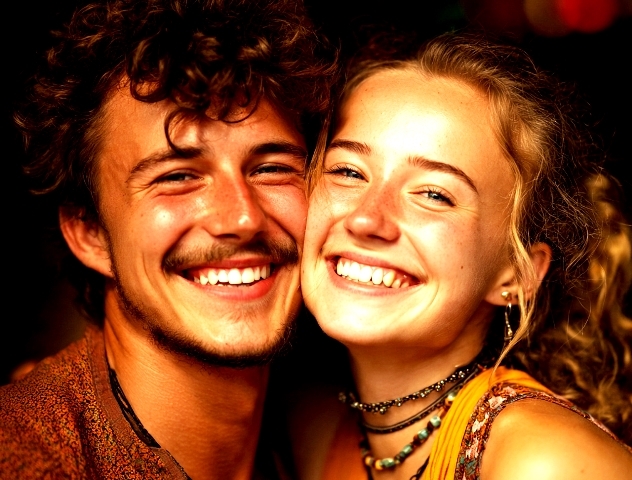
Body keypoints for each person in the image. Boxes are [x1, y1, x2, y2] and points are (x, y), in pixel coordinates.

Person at [0, 0, 336, 478]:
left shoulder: (316, 430)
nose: (243, 217)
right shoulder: (23, 456)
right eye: (177, 177)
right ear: (90, 233)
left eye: (271, 168)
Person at [297, 32, 632, 480]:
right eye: (348, 171)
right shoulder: (306, 426)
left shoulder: (544, 462)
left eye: (434, 194)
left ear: (516, 274)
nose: (366, 218)